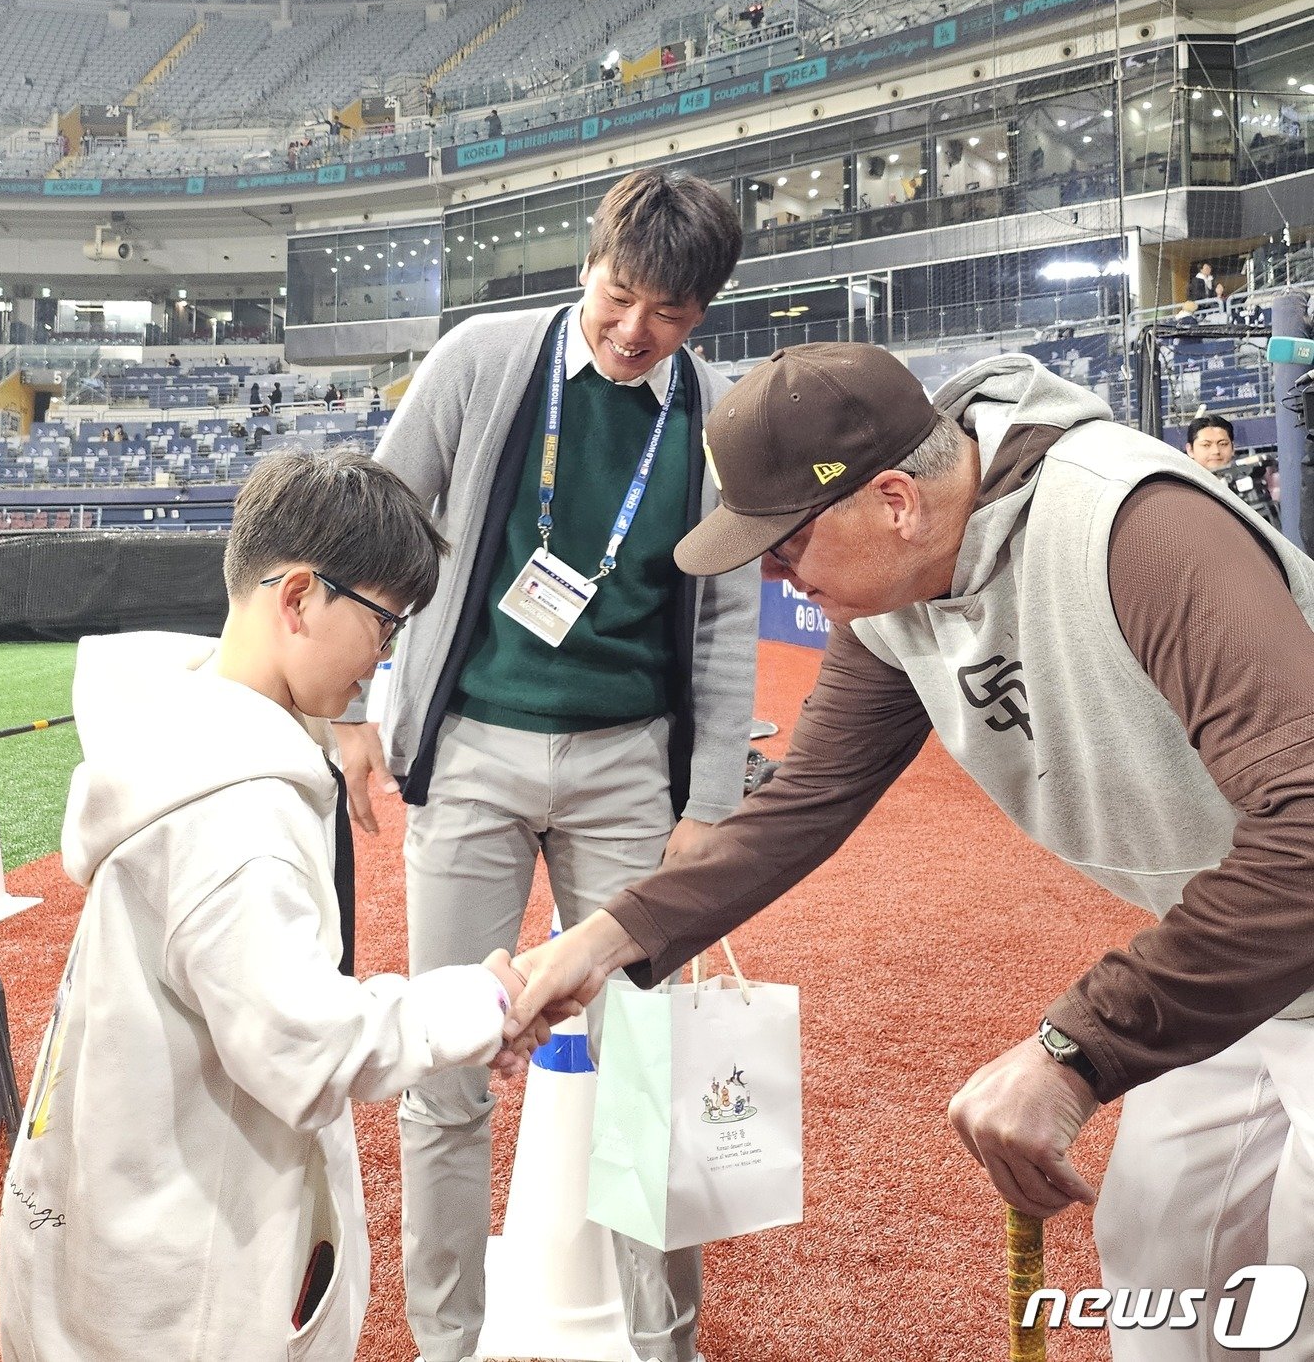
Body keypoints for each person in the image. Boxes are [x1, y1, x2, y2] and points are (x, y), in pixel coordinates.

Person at [506, 342, 1314, 1361]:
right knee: (1157, 1259)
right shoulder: (892, 600)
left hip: (1279, 914)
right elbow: (805, 798)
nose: (767, 572)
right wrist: (605, 940)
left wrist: (1074, 1049)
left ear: (893, 501)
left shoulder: (1132, 523)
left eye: (782, 541)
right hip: (1245, 959)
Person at [333, 169, 758, 1362]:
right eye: (619, 296)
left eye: (667, 316)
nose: (633, 333)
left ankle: (661, 1340)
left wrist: (708, 803)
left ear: (703, 313)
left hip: (631, 768)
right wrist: (359, 704)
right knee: (445, 1067)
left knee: (645, 1073)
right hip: (467, 750)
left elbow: (724, 621)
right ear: (589, 260)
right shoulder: (480, 358)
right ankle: (446, 1342)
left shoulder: (717, 423)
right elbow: (382, 519)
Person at [0, 448, 548, 1362]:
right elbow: (304, 1042)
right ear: (298, 597)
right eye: (384, 621)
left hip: (115, 1231)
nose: (386, 653)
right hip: (185, 1287)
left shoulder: (181, 727)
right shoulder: (236, 814)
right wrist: (482, 1002)